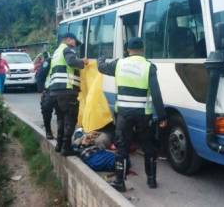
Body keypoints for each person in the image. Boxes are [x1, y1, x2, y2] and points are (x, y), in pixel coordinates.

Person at [97, 37, 167, 192]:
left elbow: (101, 67)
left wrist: (101, 58)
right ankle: (151, 180)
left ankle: (120, 182)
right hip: (143, 115)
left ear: (128, 50)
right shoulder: (149, 67)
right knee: (148, 146)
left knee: (122, 147)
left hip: (124, 114)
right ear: (142, 49)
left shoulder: (119, 64)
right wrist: (162, 117)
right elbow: (156, 94)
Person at [49, 32, 88, 156]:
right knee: (70, 119)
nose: (75, 46)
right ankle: (66, 148)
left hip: (55, 92)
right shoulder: (67, 50)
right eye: (74, 42)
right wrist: (83, 62)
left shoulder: (56, 53)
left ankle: (59, 145)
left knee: (61, 119)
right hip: (67, 91)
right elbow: (71, 62)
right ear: (69, 39)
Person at [37, 52, 55, 139]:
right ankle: (48, 131)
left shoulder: (69, 60)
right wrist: (42, 91)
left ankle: (61, 137)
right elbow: (40, 75)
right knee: (46, 110)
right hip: (49, 90)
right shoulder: (50, 61)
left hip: (63, 91)